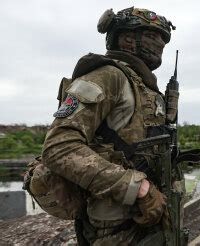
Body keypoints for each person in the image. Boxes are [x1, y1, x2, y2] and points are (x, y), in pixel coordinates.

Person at [41, 7, 180, 245]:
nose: (160, 43)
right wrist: (139, 188)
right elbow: (59, 147)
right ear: (126, 38)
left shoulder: (143, 85)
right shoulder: (108, 76)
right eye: (151, 35)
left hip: (147, 218)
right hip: (116, 227)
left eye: (162, 38)